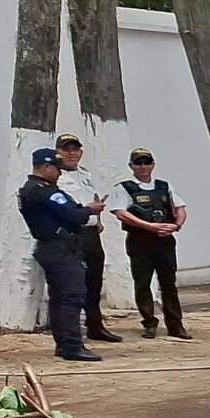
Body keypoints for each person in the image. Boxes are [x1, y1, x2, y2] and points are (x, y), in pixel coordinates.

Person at [18, 146, 104, 362]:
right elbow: (72, 215)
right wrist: (90, 210)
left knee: (60, 298)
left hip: (54, 247)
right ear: (46, 167)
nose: (59, 173)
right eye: (57, 168)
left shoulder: (33, 188)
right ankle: (72, 345)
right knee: (71, 297)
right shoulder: (45, 191)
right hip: (60, 248)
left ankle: (65, 344)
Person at [112, 148, 191, 340]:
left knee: (169, 283)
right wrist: (148, 226)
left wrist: (176, 226)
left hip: (164, 241)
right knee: (143, 283)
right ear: (131, 166)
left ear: (153, 165)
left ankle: (175, 325)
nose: (143, 166)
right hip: (140, 241)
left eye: (147, 162)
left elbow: (180, 208)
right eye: (138, 162)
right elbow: (121, 213)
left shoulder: (164, 186)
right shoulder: (124, 188)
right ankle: (149, 323)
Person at [54, 133, 124, 343]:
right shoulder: (57, 177)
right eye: (66, 149)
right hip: (73, 233)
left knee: (94, 281)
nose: (72, 153)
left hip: (91, 233)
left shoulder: (84, 175)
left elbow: (92, 199)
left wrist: (98, 220)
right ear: (58, 152)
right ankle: (72, 330)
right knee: (75, 284)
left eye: (75, 149)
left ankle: (95, 324)